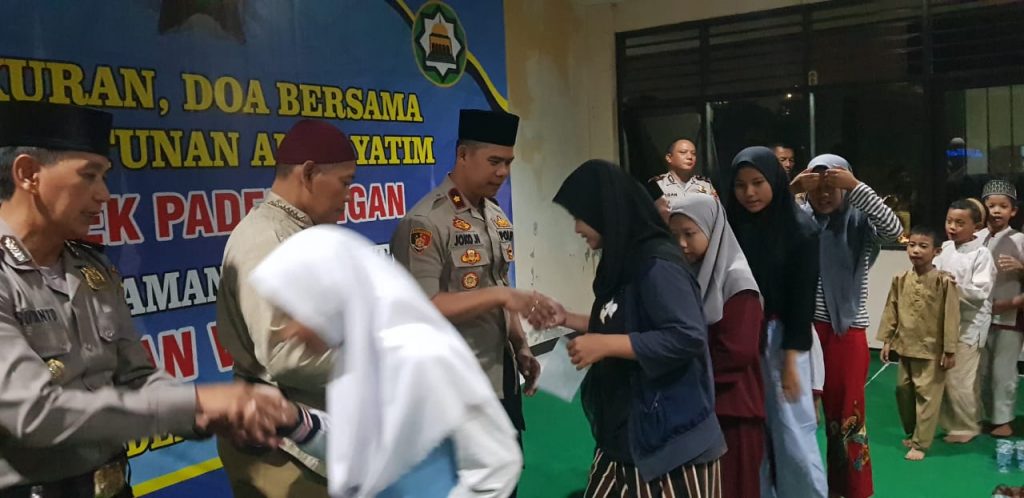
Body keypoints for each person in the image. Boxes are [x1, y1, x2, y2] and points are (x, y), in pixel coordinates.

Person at [0, 101, 293, 496]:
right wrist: (198, 402)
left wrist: (211, 413)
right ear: (28, 174)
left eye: (105, 177)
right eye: (89, 175)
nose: (104, 194)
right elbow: (35, 415)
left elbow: (136, 378)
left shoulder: (91, 269)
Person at [250, 226, 522, 498]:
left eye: (295, 312)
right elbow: (360, 449)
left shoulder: (421, 355)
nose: (290, 332)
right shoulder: (358, 358)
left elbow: (498, 465)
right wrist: (295, 420)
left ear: (329, 298)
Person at [390, 109, 554, 495]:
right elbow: (423, 308)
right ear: (463, 155)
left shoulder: (495, 216)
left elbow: (499, 283)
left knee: (506, 477)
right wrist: (500, 295)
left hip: (500, 376)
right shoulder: (425, 223)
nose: (503, 172)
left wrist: (520, 345)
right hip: (454, 388)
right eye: (494, 161)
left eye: (508, 163)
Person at [550, 160, 724, 497]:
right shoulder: (624, 262)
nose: (577, 228)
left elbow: (686, 336)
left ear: (605, 212)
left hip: (671, 443)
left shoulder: (657, 264)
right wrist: (567, 318)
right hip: (626, 435)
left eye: (580, 216)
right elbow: (625, 321)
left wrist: (605, 346)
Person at [216, 118, 358, 497]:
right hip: (284, 450)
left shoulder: (300, 233)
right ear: (309, 174)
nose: (349, 195)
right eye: (345, 183)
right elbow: (286, 354)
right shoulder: (267, 239)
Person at [792, 154, 902, 498]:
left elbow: (895, 230)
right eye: (817, 188)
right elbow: (761, 222)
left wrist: (856, 187)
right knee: (799, 417)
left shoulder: (860, 223)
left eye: (833, 187)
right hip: (802, 331)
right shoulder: (798, 219)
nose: (824, 195)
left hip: (846, 333)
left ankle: (852, 491)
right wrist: (791, 190)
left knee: (848, 418)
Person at [723, 146, 826, 498]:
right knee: (752, 430)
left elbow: (801, 304)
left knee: (793, 431)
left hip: (781, 338)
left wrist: (792, 362)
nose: (749, 193)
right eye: (740, 185)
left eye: (758, 182)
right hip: (740, 338)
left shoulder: (801, 230)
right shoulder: (731, 226)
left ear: (775, 181)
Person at [668, 195, 764, 498]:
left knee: (734, 486)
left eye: (689, 233)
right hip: (703, 403)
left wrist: (684, 374)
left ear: (713, 229)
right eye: (674, 235)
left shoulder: (737, 282)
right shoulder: (691, 274)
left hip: (734, 408)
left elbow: (737, 352)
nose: (681, 243)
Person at [877, 225, 960, 461]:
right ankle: (912, 432)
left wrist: (950, 350)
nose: (916, 250)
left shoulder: (944, 282)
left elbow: (951, 316)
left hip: (932, 349)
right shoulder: (900, 279)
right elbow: (891, 308)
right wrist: (887, 340)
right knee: (903, 390)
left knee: (927, 396)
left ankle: (921, 444)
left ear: (936, 251)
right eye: (912, 245)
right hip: (905, 346)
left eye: (923, 246)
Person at [933, 199, 995, 444]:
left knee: (960, 377)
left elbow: (981, 292)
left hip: (970, 324)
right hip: (945, 322)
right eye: (949, 221)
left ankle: (965, 427)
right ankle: (970, 419)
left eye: (960, 223)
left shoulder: (982, 254)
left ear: (976, 227)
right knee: (957, 376)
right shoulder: (945, 248)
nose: (952, 227)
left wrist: (952, 285)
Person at [977, 179, 1024, 438]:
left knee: (1002, 370)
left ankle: (1003, 420)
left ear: (1013, 211)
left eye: (1003, 206)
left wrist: (1021, 268)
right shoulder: (975, 238)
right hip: (976, 317)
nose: (996, 211)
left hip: (1009, 316)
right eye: (991, 205)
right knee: (981, 370)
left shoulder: (1020, 240)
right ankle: (985, 416)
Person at [649, 138, 716, 201]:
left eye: (693, 153)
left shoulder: (705, 184)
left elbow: (716, 208)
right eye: (683, 152)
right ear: (669, 158)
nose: (690, 157)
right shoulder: (658, 184)